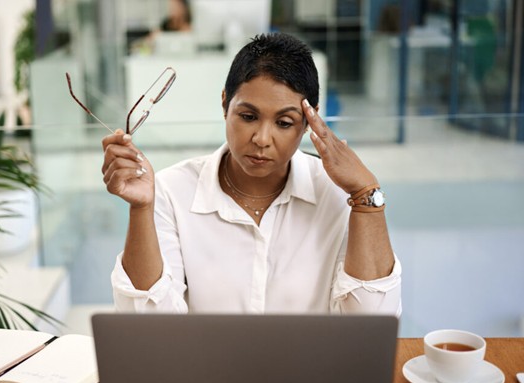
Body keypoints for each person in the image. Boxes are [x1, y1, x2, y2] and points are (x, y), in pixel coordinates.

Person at [101, 33, 401, 314]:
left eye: (284, 122)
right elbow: (147, 324)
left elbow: (371, 321)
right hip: (207, 368)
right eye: (248, 117)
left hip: (309, 369)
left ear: (310, 121)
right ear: (224, 104)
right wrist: (141, 208)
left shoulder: (338, 195)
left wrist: (366, 194)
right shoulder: (170, 191)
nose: (261, 138)